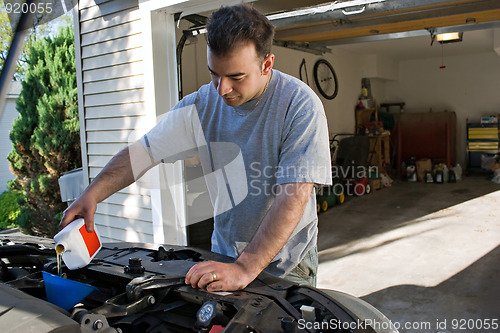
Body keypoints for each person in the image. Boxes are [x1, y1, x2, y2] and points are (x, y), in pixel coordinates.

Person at [60, 4, 331, 292]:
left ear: (266, 65)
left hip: (287, 266)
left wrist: (244, 268)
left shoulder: (300, 106)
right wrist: (92, 194)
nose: (222, 89)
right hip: (224, 255)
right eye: (214, 73)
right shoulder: (202, 105)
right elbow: (143, 153)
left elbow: (293, 197)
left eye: (236, 77)